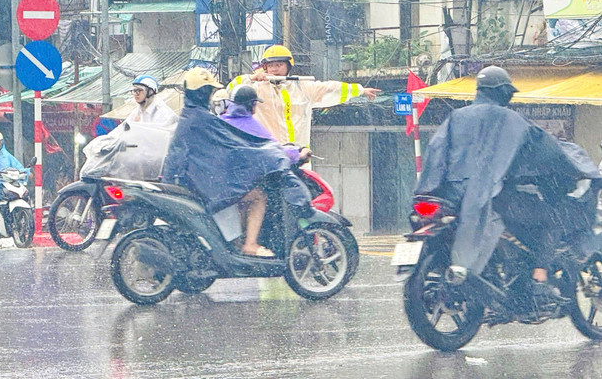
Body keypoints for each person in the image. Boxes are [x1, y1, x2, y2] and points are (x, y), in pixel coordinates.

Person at [415, 66, 598, 308]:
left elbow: (436, 153)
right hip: (492, 197)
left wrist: (431, 188)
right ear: (502, 92)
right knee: (553, 218)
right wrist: (580, 167)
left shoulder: (456, 117)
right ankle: (539, 277)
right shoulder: (509, 119)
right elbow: (547, 149)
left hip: (448, 197)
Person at [161, 67, 291, 257]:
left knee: (240, 194)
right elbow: (244, 146)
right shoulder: (203, 119)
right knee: (257, 196)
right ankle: (250, 244)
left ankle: (235, 243)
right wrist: (284, 155)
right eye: (209, 91)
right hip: (202, 185)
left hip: (189, 181)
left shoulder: (192, 117)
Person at [228, 45, 381, 149]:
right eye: (271, 65)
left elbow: (330, 88)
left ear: (288, 66)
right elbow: (231, 90)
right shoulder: (255, 89)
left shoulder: (302, 87)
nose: (275, 69)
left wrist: (360, 90)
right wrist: (250, 78)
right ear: (264, 67)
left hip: (299, 158)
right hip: (269, 156)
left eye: (279, 65)